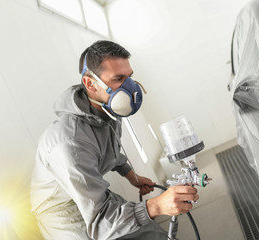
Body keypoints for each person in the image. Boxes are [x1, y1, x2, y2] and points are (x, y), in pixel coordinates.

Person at [30, 40, 199, 240]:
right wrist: (156, 205)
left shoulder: (108, 112)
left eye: (130, 77)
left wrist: (130, 175)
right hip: (64, 215)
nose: (130, 88)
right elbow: (100, 223)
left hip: (95, 198)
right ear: (90, 83)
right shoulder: (70, 141)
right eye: (119, 79)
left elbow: (108, 149)